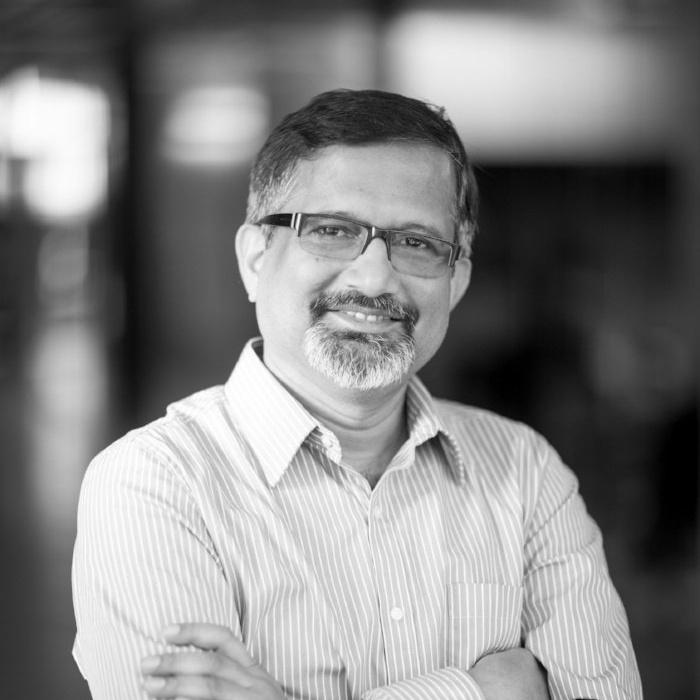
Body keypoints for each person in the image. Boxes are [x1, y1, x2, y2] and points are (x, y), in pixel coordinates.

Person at [72, 89, 642, 700]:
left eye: (417, 243)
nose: (373, 278)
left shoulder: (525, 472)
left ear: (457, 281)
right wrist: (486, 689)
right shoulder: (153, 484)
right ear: (255, 258)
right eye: (331, 230)